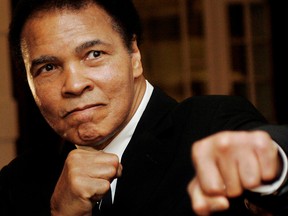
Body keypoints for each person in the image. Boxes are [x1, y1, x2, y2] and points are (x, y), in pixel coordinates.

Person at [1, 0, 288, 215]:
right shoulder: (18, 183)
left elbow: (267, 147)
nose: (74, 85)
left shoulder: (209, 124)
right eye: (48, 67)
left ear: (134, 55)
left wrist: (271, 164)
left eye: (94, 54)